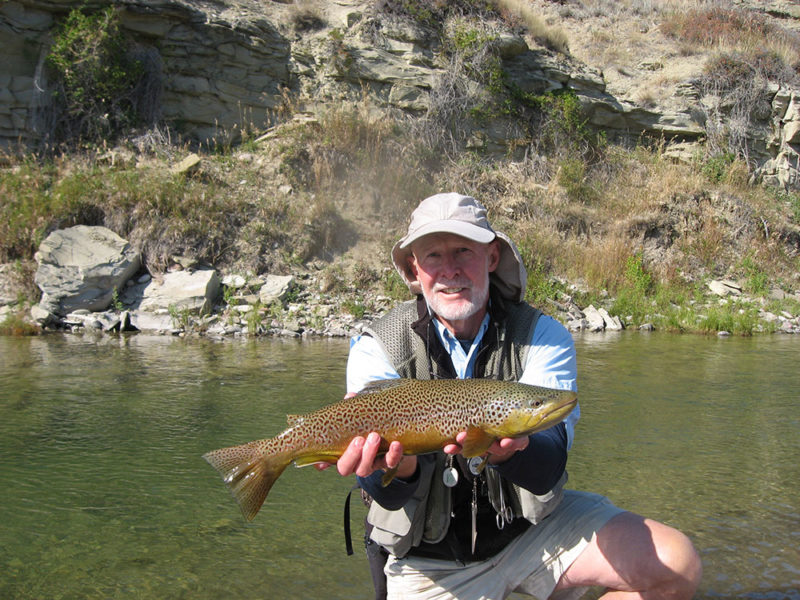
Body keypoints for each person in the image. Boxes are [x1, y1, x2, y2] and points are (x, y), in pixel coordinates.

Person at [333, 193, 702, 600]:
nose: (451, 270)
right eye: (433, 256)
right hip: (429, 561)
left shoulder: (543, 337)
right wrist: (395, 469)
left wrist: (510, 453)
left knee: (676, 565)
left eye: (464, 251)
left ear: (492, 258)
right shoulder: (377, 347)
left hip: (534, 535)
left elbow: (549, 463)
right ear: (413, 268)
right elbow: (379, 488)